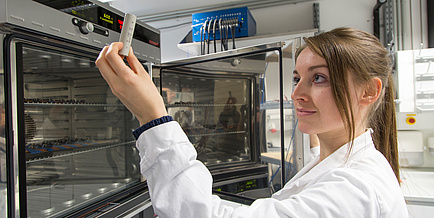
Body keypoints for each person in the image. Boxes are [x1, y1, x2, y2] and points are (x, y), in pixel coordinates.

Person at [96, 27, 408, 217]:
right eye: (297, 77)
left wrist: (153, 116)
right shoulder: (336, 162)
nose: (296, 93)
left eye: (319, 78)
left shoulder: (355, 189)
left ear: (369, 91)